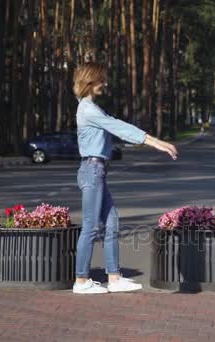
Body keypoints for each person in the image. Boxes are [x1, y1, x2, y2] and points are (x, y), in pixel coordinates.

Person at [72, 62, 178, 294]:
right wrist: (157, 143)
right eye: (101, 80)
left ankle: (114, 277)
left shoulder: (90, 107)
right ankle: (81, 281)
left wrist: (155, 142)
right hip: (92, 170)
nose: (105, 84)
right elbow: (120, 127)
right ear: (90, 82)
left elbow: (117, 127)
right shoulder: (88, 110)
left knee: (112, 224)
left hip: (97, 170)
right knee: (90, 227)